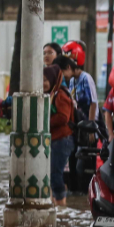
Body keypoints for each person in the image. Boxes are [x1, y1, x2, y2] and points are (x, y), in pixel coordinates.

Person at [44, 65, 75, 207]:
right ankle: (55, 204)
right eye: (41, 80)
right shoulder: (50, 95)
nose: (43, 83)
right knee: (51, 175)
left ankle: (62, 208)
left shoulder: (60, 95)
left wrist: (44, 123)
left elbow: (63, 117)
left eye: (46, 80)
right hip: (55, 139)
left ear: (52, 80)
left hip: (63, 140)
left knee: (55, 174)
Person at [62, 41, 99, 122]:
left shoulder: (86, 78)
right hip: (80, 121)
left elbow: (93, 103)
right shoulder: (72, 80)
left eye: (64, 69)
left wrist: (90, 127)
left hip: (91, 123)